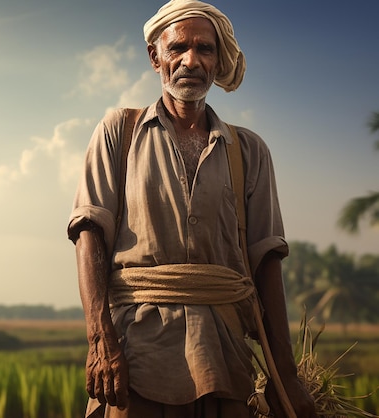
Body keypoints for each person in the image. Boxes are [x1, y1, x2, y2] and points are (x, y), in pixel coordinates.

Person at [67, 1, 318, 417]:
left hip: (225, 356)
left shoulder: (249, 151)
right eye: (178, 48)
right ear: (155, 57)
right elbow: (88, 233)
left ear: (218, 61)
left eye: (205, 49)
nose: (191, 60)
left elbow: (266, 262)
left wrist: (285, 375)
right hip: (136, 355)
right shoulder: (119, 131)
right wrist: (100, 342)